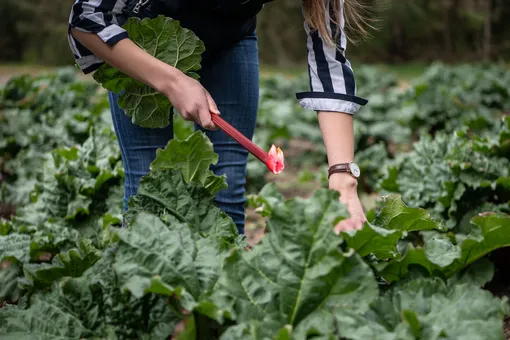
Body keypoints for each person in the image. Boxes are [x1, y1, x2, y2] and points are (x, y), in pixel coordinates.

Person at [68, 0, 369, 235]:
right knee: (148, 187)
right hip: (139, 44)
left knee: (229, 184)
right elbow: (86, 17)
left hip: (229, 40)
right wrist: (173, 81)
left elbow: (329, 55)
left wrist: (344, 180)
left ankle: (223, 306)